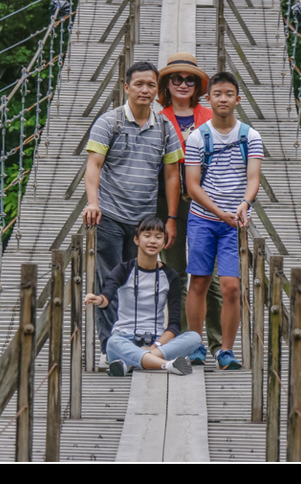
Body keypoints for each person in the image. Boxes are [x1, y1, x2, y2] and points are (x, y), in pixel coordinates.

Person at [83, 61, 184, 353]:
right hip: (111, 215)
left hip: (144, 223)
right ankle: (109, 350)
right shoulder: (109, 122)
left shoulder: (165, 127)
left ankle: (134, 346)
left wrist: (171, 218)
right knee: (110, 284)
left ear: (157, 90)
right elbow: (94, 165)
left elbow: (171, 175)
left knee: (134, 286)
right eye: (138, 84)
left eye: (151, 85)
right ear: (126, 88)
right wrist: (93, 202)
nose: (144, 90)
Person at [184, 72, 263, 370]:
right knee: (200, 280)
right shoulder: (197, 137)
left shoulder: (250, 136)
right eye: (217, 94)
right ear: (208, 99)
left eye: (229, 94)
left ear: (237, 99)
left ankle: (225, 351)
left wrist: (244, 205)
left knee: (231, 286)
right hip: (204, 218)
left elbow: (253, 179)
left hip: (236, 221)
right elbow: (192, 185)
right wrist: (220, 212)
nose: (223, 99)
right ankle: (196, 344)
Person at [155, 52, 224, 364]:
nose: (182, 84)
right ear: (167, 85)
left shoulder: (212, 117)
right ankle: (186, 342)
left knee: (211, 277)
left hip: (208, 204)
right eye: (176, 78)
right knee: (176, 273)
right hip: (166, 203)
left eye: (189, 80)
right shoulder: (156, 120)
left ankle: (219, 344)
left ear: (197, 86)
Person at [85, 216, 201, 376]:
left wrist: (155, 346)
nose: (153, 241)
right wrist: (99, 300)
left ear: (164, 241)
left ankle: (131, 364)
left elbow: (174, 325)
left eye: (158, 237)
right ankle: (167, 365)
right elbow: (107, 296)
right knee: (112, 342)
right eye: (147, 236)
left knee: (194, 337)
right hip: (124, 338)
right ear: (136, 239)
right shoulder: (123, 269)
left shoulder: (170, 276)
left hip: (157, 342)